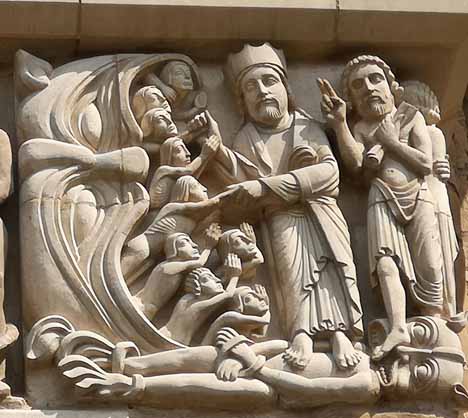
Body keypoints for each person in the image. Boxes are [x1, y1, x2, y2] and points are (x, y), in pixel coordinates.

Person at [197, 43, 363, 370]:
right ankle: (300, 331)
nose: (262, 92)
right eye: (251, 87)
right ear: (241, 102)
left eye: (269, 82)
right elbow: (242, 177)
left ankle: (340, 333)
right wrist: (216, 149)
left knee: (331, 269)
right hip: (280, 219)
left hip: (322, 215)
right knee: (292, 273)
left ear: (286, 89)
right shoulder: (247, 136)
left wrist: (267, 187)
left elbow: (328, 173)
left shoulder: (305, 126)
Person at [318, 55, 444, 360]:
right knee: (385, 262)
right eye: (358, 85)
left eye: (376, 79)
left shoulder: (410, 117)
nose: (368, 88)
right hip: (380, 197)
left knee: (429, 262)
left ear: (391, 87)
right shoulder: (360, 128)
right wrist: (339, 125)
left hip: (418, 196)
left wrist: (391, 142)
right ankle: (399, 325)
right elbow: (359, 168)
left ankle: (436, 322)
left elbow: (425, 163)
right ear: (352, 100)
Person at [401, 80, 460, 317]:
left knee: (439, 255)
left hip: (432, 201)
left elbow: (432, 167)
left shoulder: (430, 132)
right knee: (436, 256)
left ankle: (445, 309)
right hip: (428, 199)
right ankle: (445, 308)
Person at [160, 254, 242, 345]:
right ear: (197, 285)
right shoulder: (195, 305)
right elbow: (228, 294)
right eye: (208, 278)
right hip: (170, 341)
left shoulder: (188, 298)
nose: (218, 280)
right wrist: (235, 275)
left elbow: (216, 290)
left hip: (167, 337)